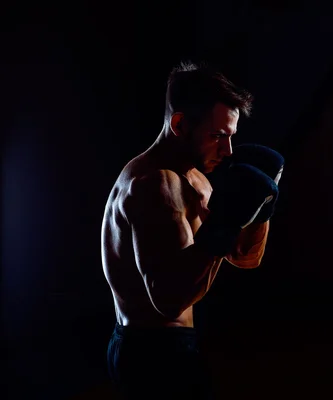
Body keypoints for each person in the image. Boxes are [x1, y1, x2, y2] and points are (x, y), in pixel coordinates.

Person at [101, 61, 284, 399]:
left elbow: (245, 259)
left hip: (175, 346)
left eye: (231, 137)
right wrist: (223, 225)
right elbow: (168, 301)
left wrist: (261, 211)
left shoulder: (194, 176)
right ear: (181, 124)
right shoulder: (153, 184)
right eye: (217, 136)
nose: (227, 151)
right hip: (150, 354)